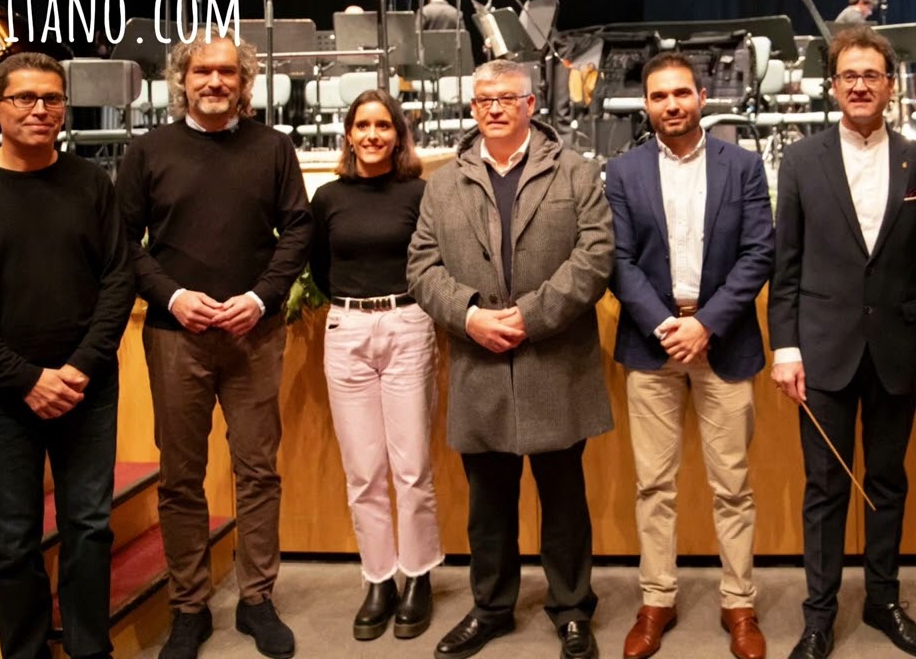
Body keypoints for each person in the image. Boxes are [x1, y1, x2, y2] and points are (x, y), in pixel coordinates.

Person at [0, 52, 135, 659]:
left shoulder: (92, 184)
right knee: (13, 541)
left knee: (88, 528)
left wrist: (79, 368)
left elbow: (118, 280)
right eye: (25, 98)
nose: (41, 109)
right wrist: (25, 379)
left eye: (53, 98)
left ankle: (91, 650)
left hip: (86, 388)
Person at [407, 58, 614, 659]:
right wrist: (469, 314)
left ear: (530, 105)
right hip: (480, 362)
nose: (493, 108)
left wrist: (533, 315)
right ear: (473, 108)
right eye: (483, 100)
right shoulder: (444, 183)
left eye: (505, 98)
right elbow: (421, 266)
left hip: (555, 361)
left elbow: (596, 255)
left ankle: (572, 609)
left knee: (564, 500)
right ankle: (492, 608)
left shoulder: (574, 171)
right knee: (488, 504)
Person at [116, 36, 312, 659]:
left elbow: (298, 230)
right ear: (182, 78)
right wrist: (172, 297)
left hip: (255, 333)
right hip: (176, 335)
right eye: (202, 70)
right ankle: (189, 606)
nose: (215, 81)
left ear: (244, 82)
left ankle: (257, 599)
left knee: (258, 471)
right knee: (181, 477)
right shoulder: (148, 151)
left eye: (228, 71)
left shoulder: (273, 148)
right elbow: (122, 242)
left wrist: (260, 298)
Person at [768, 26, 916, 659]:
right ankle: (818, 616)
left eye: (872, 75)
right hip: (822, 350)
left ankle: (882, 600)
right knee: (825, 489)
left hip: (901, 349)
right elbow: (786, 266)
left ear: (890, 85)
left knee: (887, 482)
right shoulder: (801, 160)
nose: (860, 85)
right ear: (833, 86)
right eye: (849, 75)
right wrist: (785, 349)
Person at [605, 51, 774, 659]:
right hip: (652, 345)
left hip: (722, 339)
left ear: (702, 97)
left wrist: (704, 323)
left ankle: (739, 603)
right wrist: (664, 325)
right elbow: (616, 260)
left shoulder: (742, 165)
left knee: (733, 485)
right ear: (645, 104)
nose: (671, 104)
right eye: (659, 96)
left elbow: (759, 251)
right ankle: (657, 600)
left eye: (681, 93)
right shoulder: (622, 171)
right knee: (653, 484)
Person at [308, 89, 442, 642]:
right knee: (363, 471)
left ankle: (418, 575)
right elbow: (319, 266)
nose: (372, 135)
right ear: (348, 134)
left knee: (411, 467)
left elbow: (434, 261)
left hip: (407, 324)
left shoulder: (419, 193)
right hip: (347, 330)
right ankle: (379, 578)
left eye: (382, 125)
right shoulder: (328, 197)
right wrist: (353, 310)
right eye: (362, 125)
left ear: (398, 134)